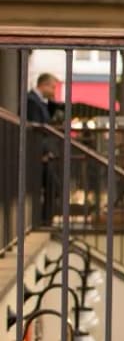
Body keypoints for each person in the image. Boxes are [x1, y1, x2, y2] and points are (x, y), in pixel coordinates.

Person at [25, 73, 64, 227]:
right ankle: (43, 221)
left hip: (42, 153)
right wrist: (42, 152)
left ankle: (43, 220)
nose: (54, 90)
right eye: (53, 87)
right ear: (44, 85)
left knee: (50, 186)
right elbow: (36, 128)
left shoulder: (38, 101)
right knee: (50, 186)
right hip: (38, 154)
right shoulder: (32, 101)